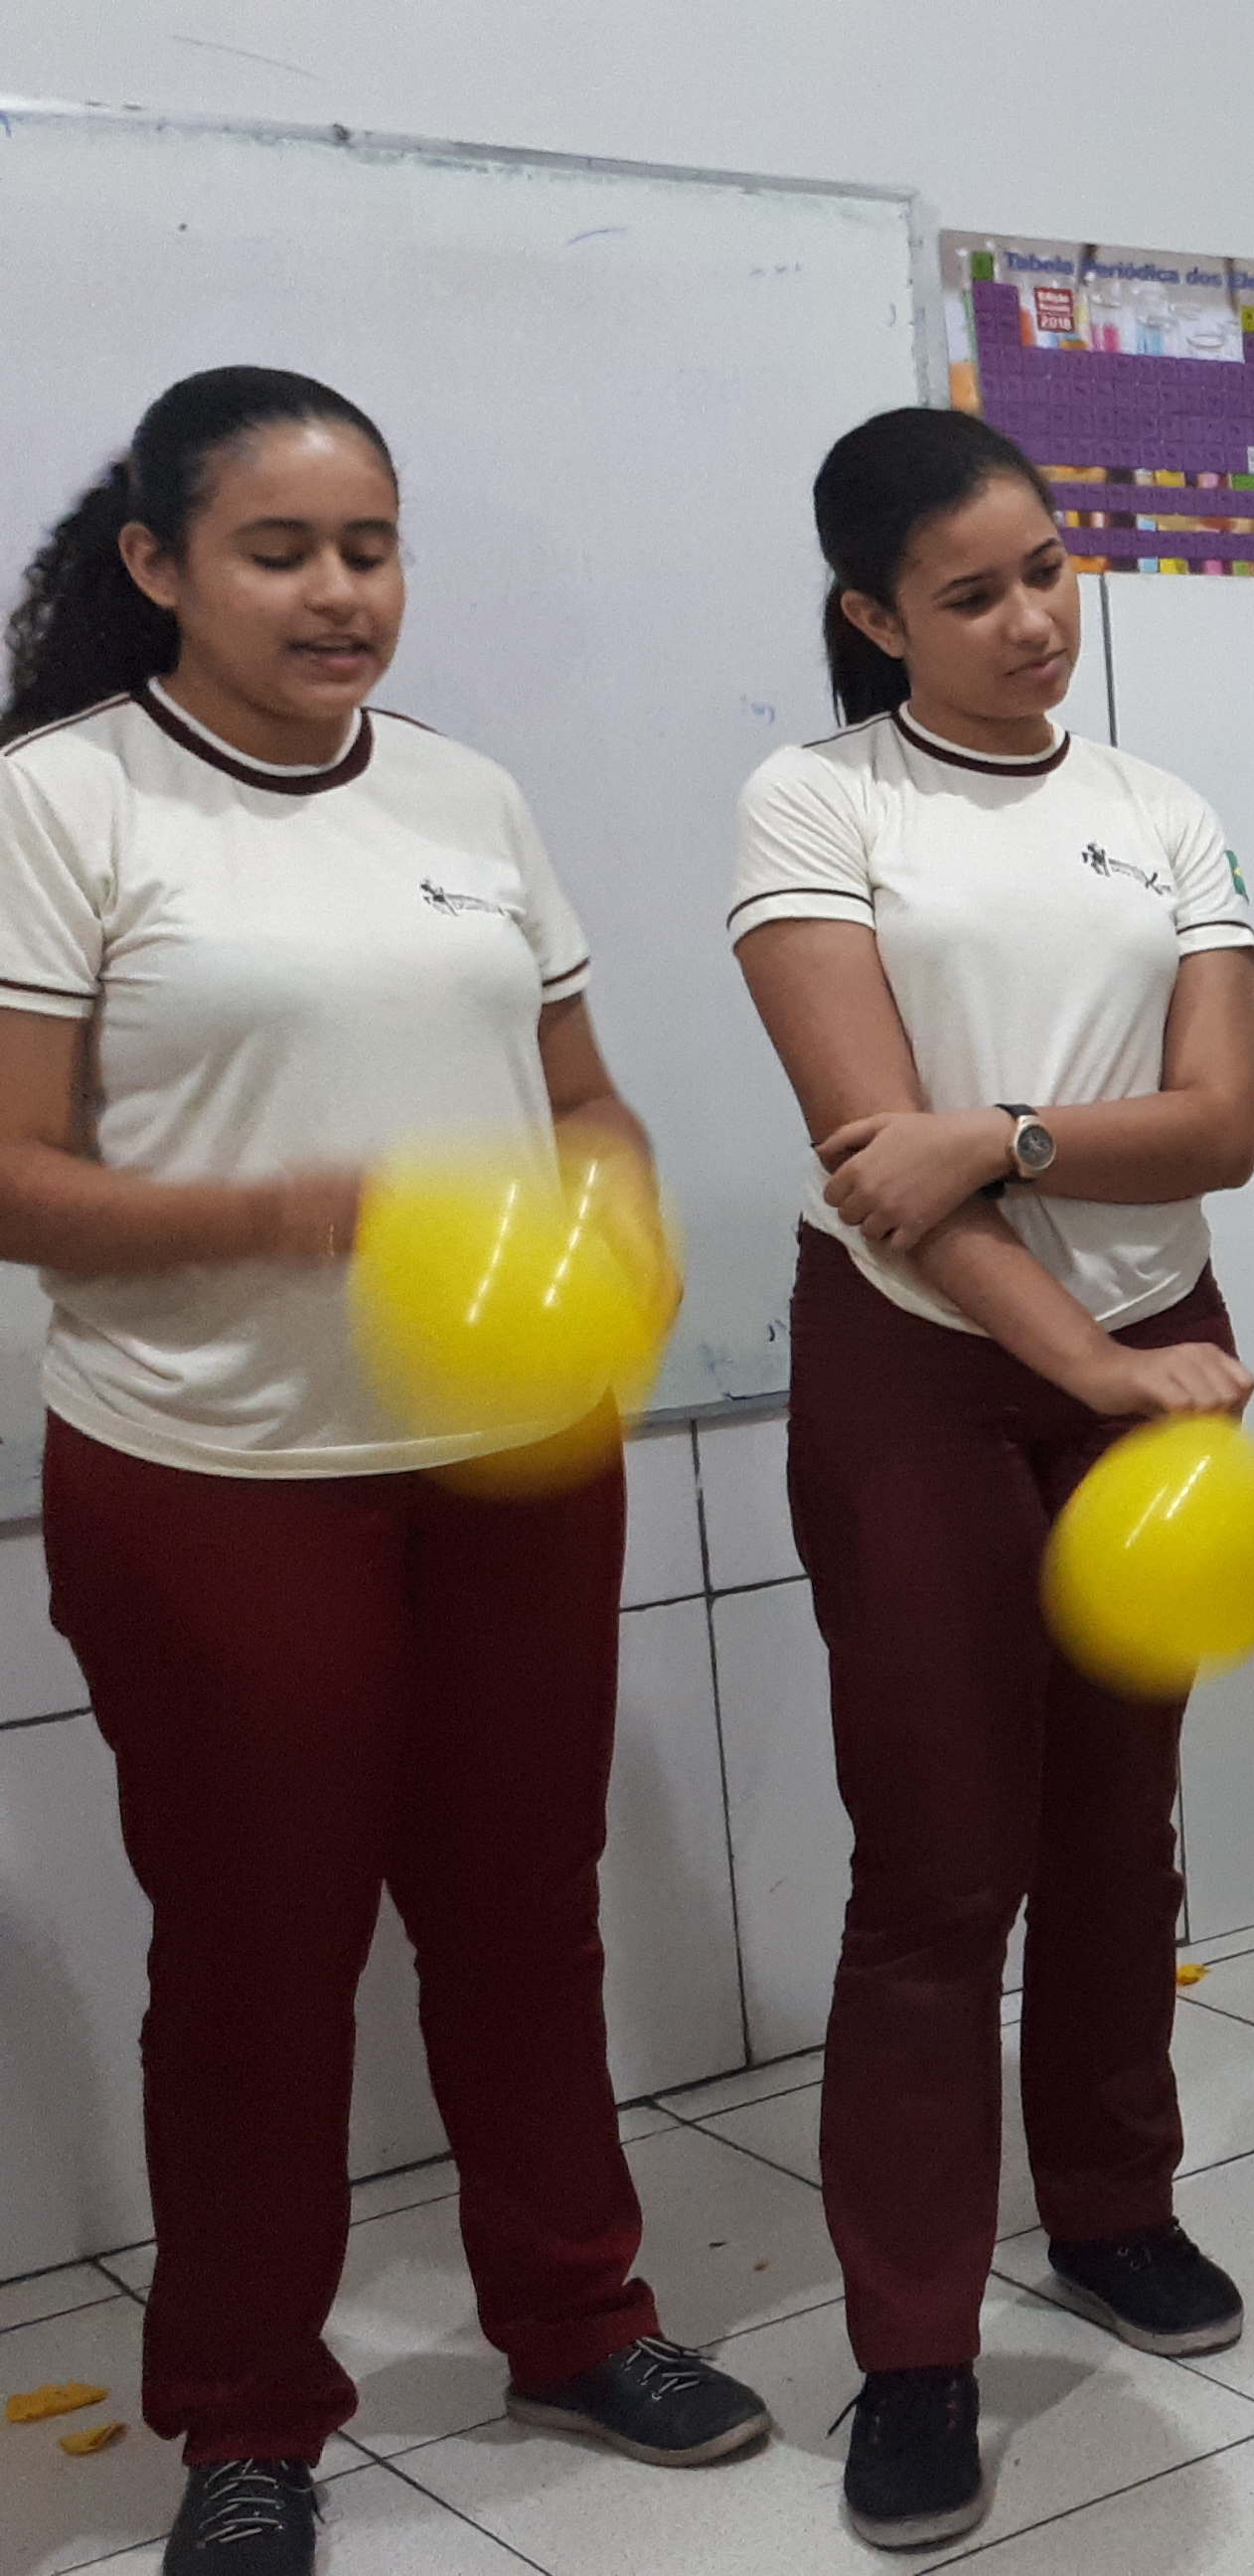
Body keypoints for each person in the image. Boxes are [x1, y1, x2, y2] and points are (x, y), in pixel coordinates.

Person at [0, 367, 766, 2576]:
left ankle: (577, 2321)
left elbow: (582, 1096)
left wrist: (619, 1207)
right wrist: (292, 1211)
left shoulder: (464, 792)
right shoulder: (64, 802)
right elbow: (13, 1176)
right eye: (281, 552)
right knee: (260, 1955)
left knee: (525, 1916)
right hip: (215, 1472)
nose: (341, 593)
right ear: (157, 565)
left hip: (515, 1461)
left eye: (371, 548)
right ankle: (246, 2419)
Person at [731, 406, 1254, 2552]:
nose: (1035, 619)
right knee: (943, 1873)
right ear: (875, 618)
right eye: (973, 594)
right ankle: (914, 2350)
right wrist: (1090, 1359)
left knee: (1120, 1830)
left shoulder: (1164, 811)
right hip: (927, 1372)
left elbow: (1221, 1125)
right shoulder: (818, 804)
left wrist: (1009, 1133)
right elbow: (883, 1178)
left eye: (1048, 568)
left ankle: (1113, 2207)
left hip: (1158, 1339)